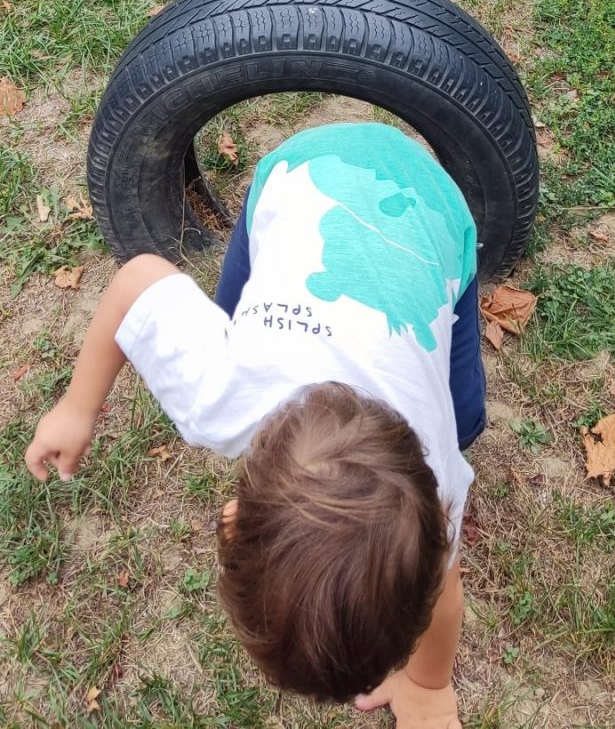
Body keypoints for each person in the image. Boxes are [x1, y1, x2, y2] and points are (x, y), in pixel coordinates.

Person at [25, 121, 486, 729]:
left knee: (466, 417)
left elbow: (140, 275)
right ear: (235, 520)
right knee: (229, 317)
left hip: (431, 219)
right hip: (302, 184)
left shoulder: (437, 478)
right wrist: (75, 408)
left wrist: (427, 687)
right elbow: (136, 281)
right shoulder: (218, 382)